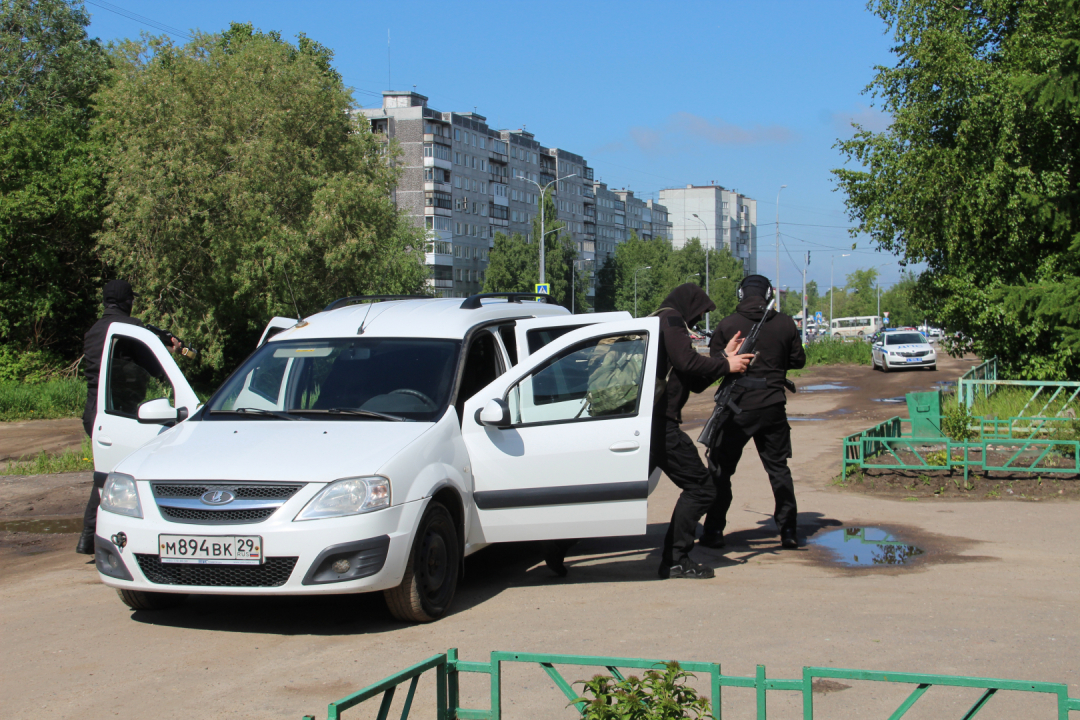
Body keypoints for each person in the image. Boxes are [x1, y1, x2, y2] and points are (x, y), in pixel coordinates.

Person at [699, 274, 806, 551]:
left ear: (741, 295)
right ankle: (789, 531)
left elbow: (714, 364)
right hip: (773, 407)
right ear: (768, 295)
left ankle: (713, 531)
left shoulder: (728, 324)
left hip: (737, 409)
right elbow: (798, 359)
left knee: (721, 471)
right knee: (778, 469)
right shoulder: (784, 323)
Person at [76, 280, 179, 555]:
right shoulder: (129, 329)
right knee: (121, 477)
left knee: (108, 473)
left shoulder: (94, 331)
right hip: (122, 412)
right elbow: (156, 368)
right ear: (127, 301)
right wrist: (169, 349)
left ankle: (88, 538)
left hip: (94, 412)